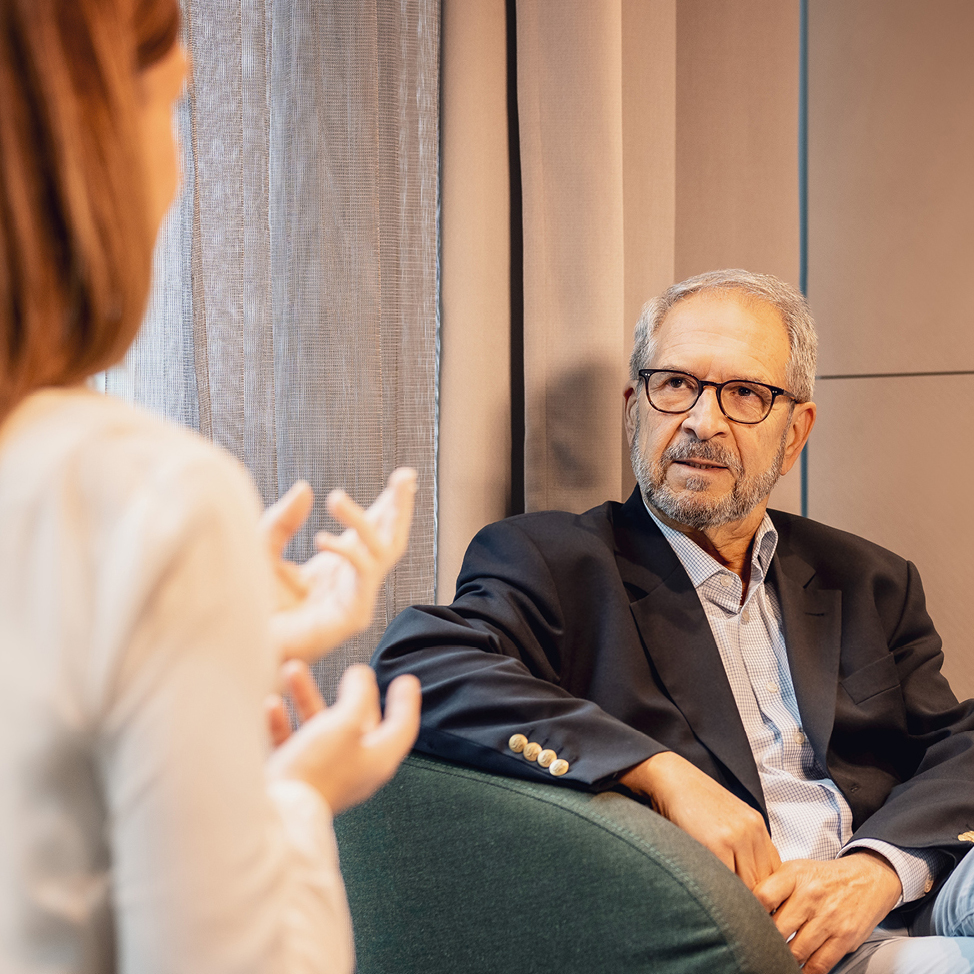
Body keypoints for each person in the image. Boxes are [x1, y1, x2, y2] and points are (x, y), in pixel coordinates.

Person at [372, 269, 974, 974]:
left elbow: (955, 745)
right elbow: (422, 663)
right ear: (636, 407)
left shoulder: (869, 578)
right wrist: (657, 771)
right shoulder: (556, 560)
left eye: (744, 394)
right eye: (675, 384)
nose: (701, 420)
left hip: (898, 889)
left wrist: (878, 870)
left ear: (795, 432)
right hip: (756, 938)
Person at [0, 1, 421, 971]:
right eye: (177, 106)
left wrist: (226, 630)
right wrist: (296, 797)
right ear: (78, 144)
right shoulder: (147, 491)